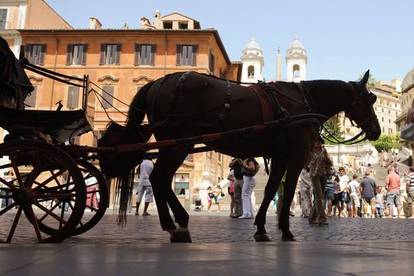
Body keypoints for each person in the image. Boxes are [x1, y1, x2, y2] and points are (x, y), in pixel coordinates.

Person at [308, 139, 332, 225]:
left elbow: (329, 163)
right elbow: (307, 163)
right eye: (317, 142)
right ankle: (322, 218)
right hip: (314, 175)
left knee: (320, 197)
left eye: (320, 142)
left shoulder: (324, 150)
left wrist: (325, 156)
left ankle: (312, 217)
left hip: (323, 174)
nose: (318, 143)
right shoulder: (310, 151)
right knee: (319, 196)